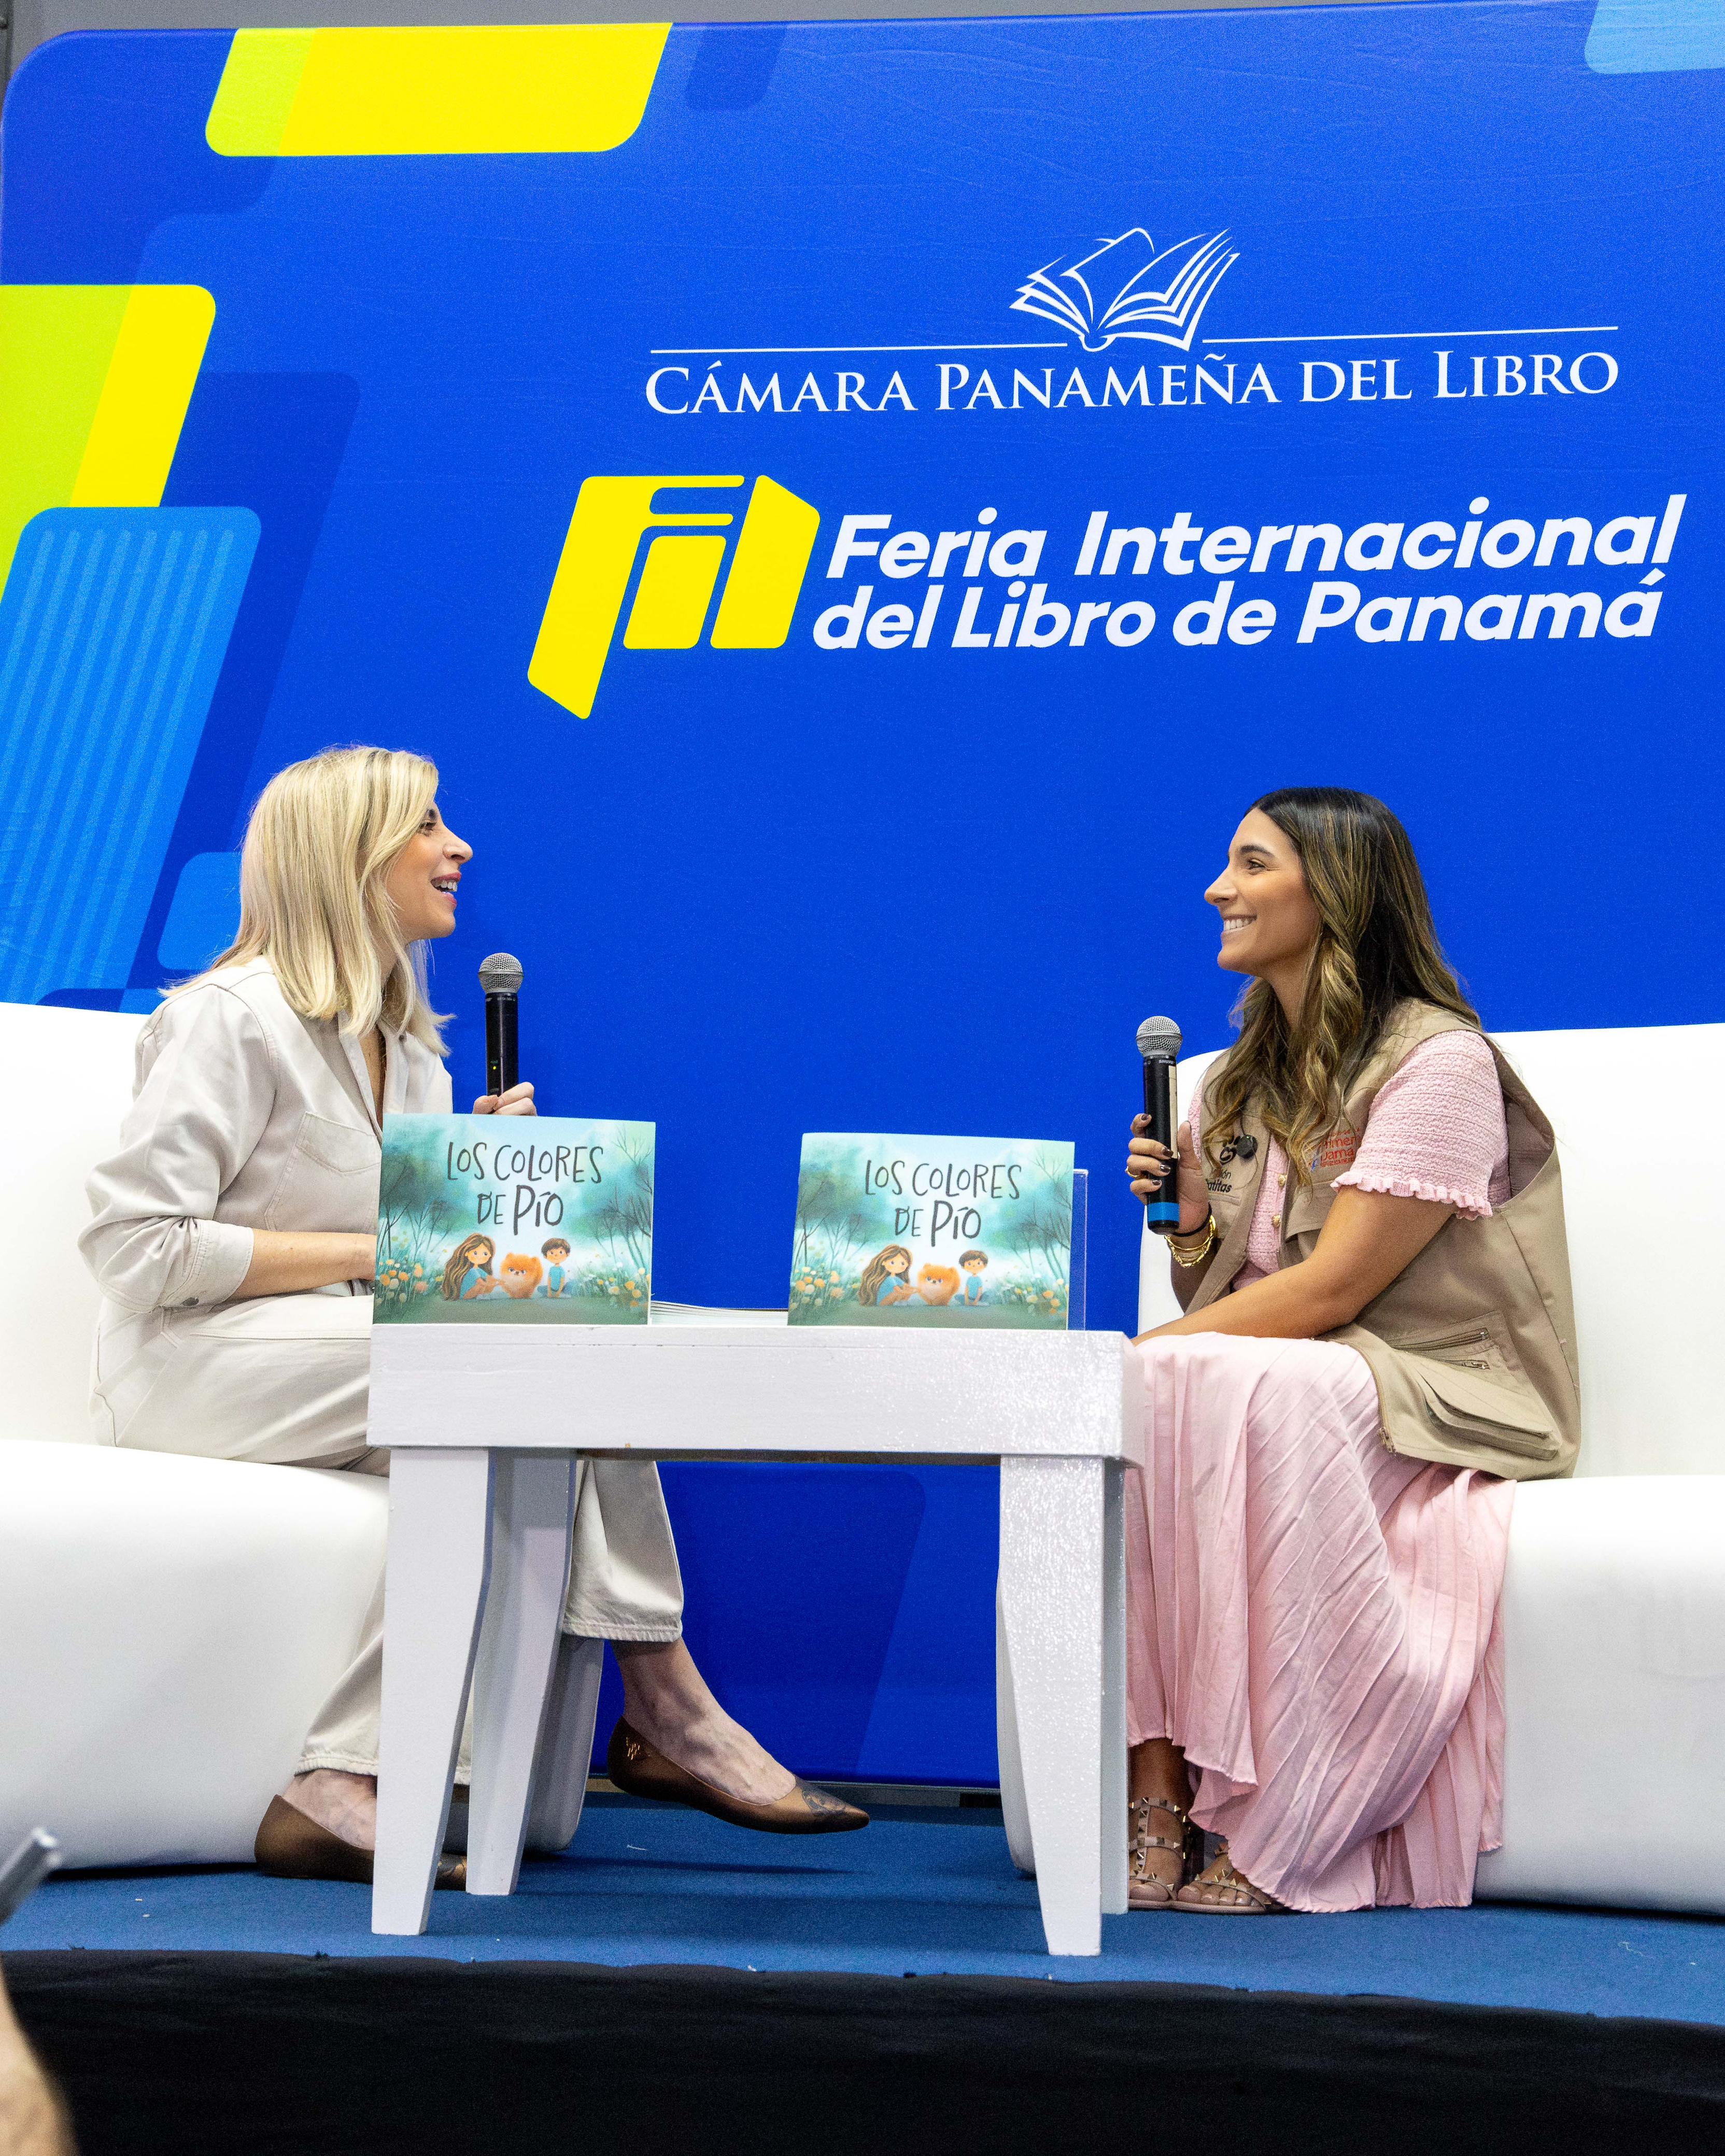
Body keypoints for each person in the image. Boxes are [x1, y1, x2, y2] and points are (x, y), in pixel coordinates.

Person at [81, 746, 866, 1885]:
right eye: (426, 826)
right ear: (348, 853)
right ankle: (668, 1704)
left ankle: (342, 1782)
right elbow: (138, 1247)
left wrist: (481, 1189)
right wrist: (393, 1245)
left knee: (545, 1400)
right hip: (200, 1367)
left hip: (358, 1359)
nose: (459, 849)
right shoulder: (228, 1019)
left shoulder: (413, 1046)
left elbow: (427, 1272)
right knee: (534, 1371)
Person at [1123, 787, 1577, 1914]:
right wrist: (1190, 1227)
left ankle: (1286, 1810)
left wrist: (1143, 1351)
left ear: (1331, 891)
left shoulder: (1439, 1063)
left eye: (1251, 864)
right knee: (1168, 1391)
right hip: (1301, 1371)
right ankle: (1157, 1787)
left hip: (1434, 1377)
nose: (1216, 890)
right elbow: (1233, 1293)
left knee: (1195, 1379)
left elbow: (1336, 1288)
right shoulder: (1234, 1078)